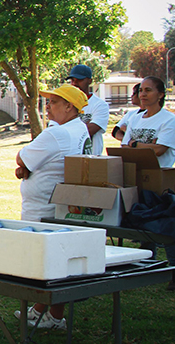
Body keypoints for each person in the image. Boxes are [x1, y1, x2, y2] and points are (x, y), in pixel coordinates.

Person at [14, 84, 90, 328]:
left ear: (69, 106)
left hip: (43, 208)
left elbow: (22, 158)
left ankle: (47, 313)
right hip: (62, 203)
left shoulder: (57, 133)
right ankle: (49, 314)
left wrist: (24, 166)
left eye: (54, 101)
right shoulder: (81, 130)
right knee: (58, 263)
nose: (48, 105)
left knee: (43, 264)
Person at [122, 76, 175, 291]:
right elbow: (124, 147)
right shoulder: (134, 119)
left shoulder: (169, 119)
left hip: (160, 179)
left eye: (148, 90)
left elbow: (160, 149)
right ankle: (147, 267)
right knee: (142, 224)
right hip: (135, 176)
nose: (143, 94)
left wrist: (137, 144)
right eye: (140, 90)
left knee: (166, 226)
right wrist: (142, 146)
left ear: (160, 94)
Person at [68, 64, 109, 155]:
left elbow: (90, 130)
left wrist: (67, 129)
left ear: (89, 81)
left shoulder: (100, 105)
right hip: (69, 158)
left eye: (80, 80)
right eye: (72, 80)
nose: (75, 83)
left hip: (92, 158)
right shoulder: (66, 104)